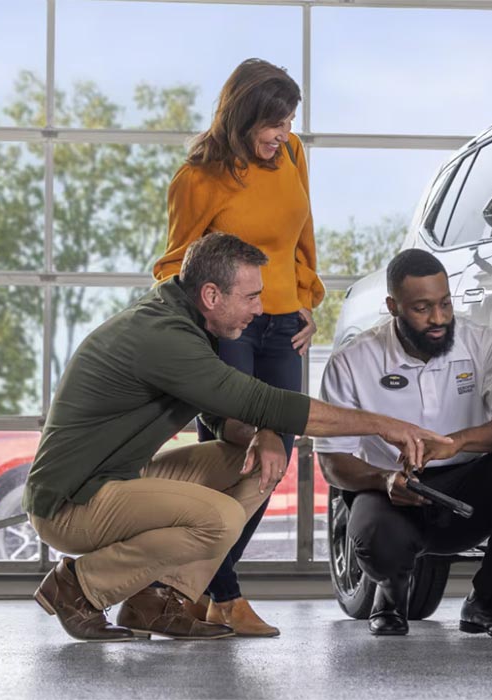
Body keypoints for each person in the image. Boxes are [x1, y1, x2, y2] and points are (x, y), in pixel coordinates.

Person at [25, 233, 448, 643]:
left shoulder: (185, 323)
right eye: (251, 298)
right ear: (211, 295)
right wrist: (384, 425)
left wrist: (263, 433)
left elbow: (219, 414)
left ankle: (156, 600)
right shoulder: (165, 337)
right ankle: (79, 586)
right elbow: (263, 400)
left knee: (255, 466)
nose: (259, 310)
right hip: (70, 503)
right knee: (221, 518)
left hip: (119, 479)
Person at [151, 57, 322, 637]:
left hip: (284, 327)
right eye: (274, 122)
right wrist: (205, 326)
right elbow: (174, 265)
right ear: (244, 116)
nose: (284, 132)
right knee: (235, 453)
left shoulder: (292, 154)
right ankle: (222, 594)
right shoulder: (198, 177)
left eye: (290, 119)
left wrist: (305, 297)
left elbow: (302, 236)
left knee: (276, 457)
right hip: (230, 329)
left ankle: (199, 591)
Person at [317, 249, 492, 638]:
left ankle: (486, 600)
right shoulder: (351, 361)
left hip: (466, 490)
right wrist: (384, 480)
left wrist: (456, 443)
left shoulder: (482, 344)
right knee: (377, 539)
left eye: (445, 304)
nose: (439, 318)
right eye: (422, 308)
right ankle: (390, 596)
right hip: (393, 492)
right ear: (393, 307)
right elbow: (332, 463)